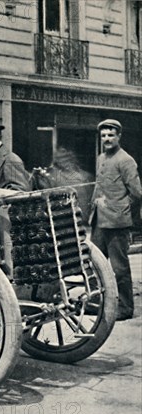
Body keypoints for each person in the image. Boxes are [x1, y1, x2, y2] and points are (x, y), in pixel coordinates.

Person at [90, 119, 142, 321]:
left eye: (111, 135)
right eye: (103, 135)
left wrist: (121, 209)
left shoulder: (125, 160)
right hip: (99, 221)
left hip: (116, 223)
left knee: (119, 268)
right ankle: (97, 303)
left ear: (119, 136)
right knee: (95, 264)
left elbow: (137, 193)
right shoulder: (101, 157)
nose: (107, 139)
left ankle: (125, 307)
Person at [30, 137, 95, 222]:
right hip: (65, 222)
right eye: (62, 155)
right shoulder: (50, 176)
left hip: (82, 221)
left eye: (67, 155)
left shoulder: (87, 177)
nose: (65, 158)